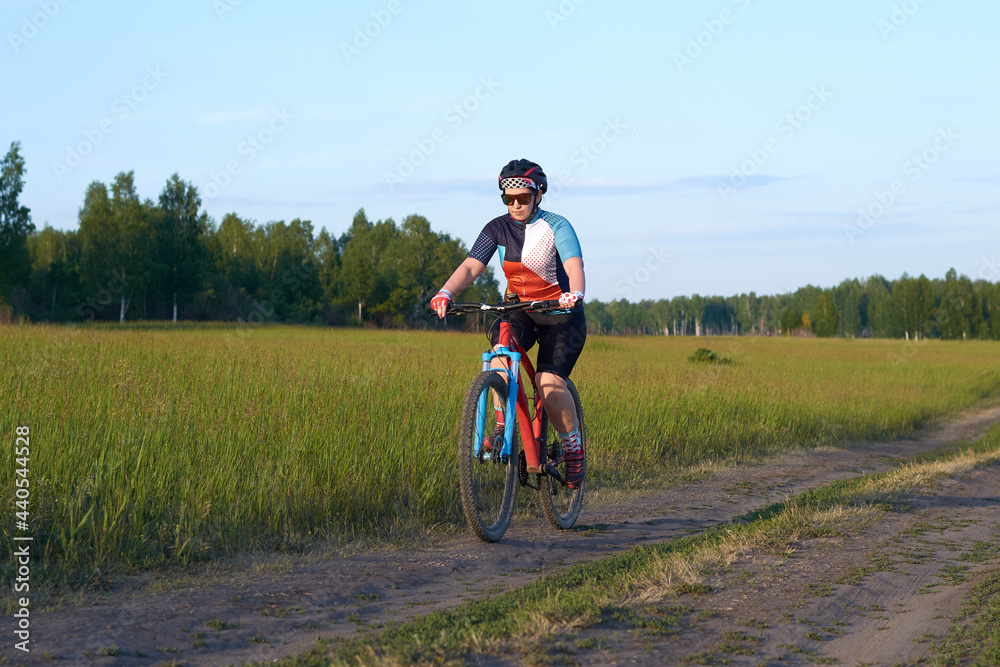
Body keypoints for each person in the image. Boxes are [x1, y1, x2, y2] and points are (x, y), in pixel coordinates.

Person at [430, 159, 588, 487]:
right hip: (519, 309)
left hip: (561, 314)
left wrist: (575, 293)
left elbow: (574, 265)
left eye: (523, 198)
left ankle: (573, 450)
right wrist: (446, 291)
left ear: (538, 196)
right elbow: (472, 266)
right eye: (508, 199)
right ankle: (502, 429)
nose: (515, 205)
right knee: (501, 357)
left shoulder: (557, 226)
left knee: (547, 383)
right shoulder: (496, 228)